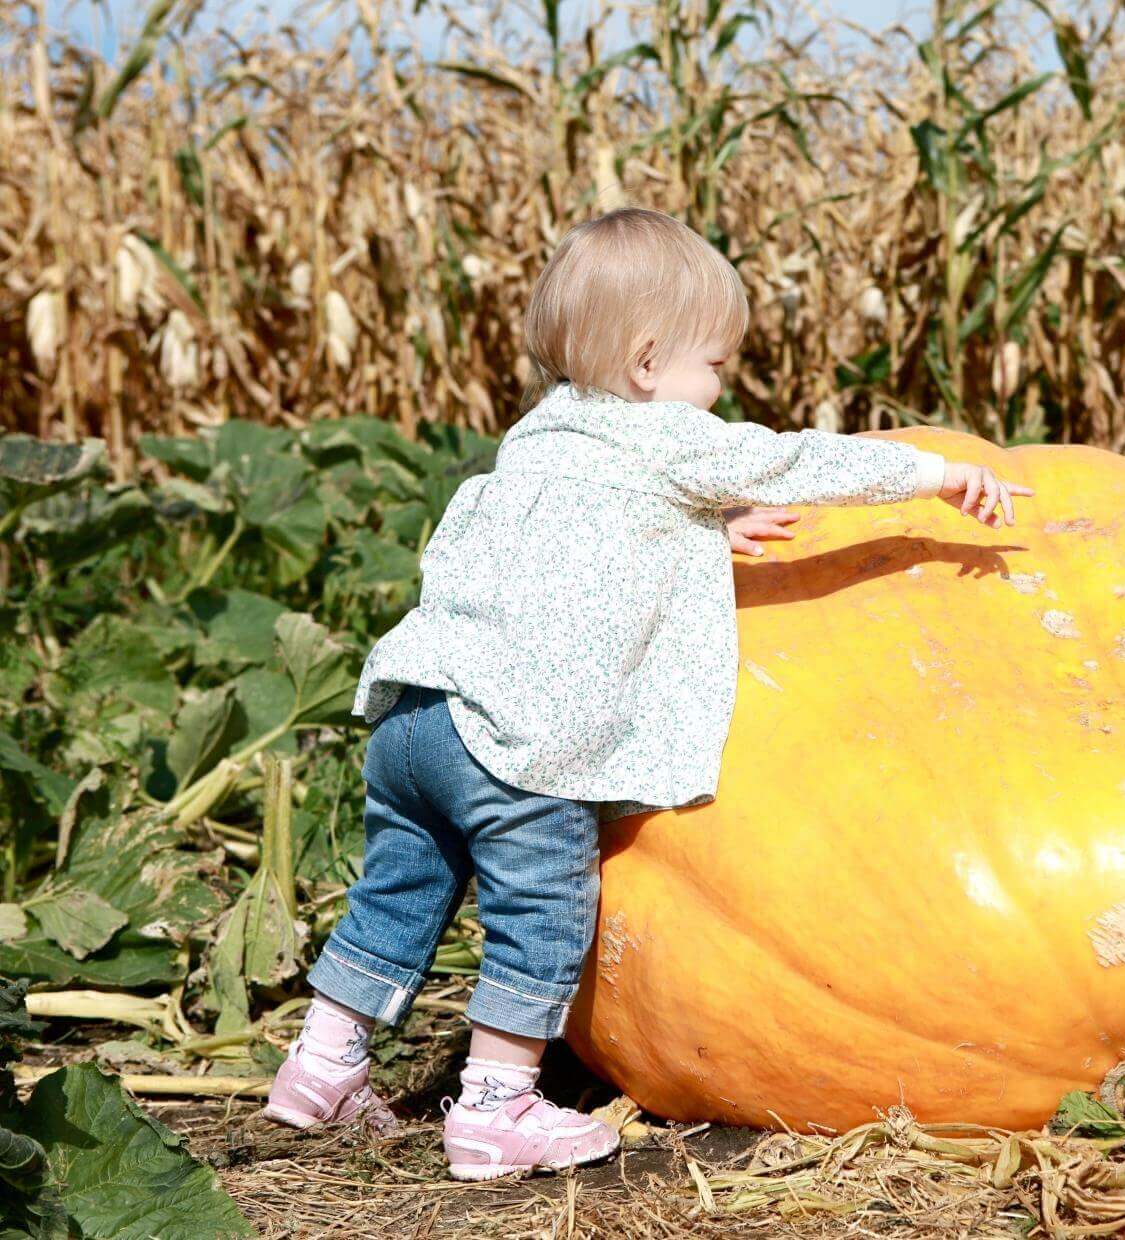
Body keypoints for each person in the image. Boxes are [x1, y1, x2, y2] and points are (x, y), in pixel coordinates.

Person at [262, 205, 1035, 1180]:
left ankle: (319, 1066)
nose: (722, 386)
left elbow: (602, 527)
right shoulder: (665, 433)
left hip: (415, 711)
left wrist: (711, 529)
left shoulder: (540, 434)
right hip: (513, 737)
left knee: (399, 889)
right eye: (714, 367)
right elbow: (793, 456)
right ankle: (497, 1107)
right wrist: (937, 471)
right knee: (543, 905)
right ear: (644, 363)